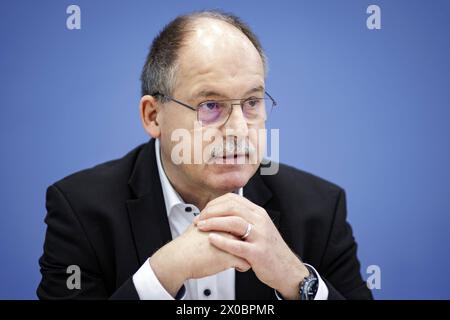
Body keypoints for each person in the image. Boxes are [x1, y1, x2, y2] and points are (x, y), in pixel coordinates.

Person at [37, 10, 372, 300]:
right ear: (154, 116)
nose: (239, 129)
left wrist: (297, 280)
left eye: (252, 102)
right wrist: (162, 274)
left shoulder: (319, 209)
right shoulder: (80, 210)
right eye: (211, 105)